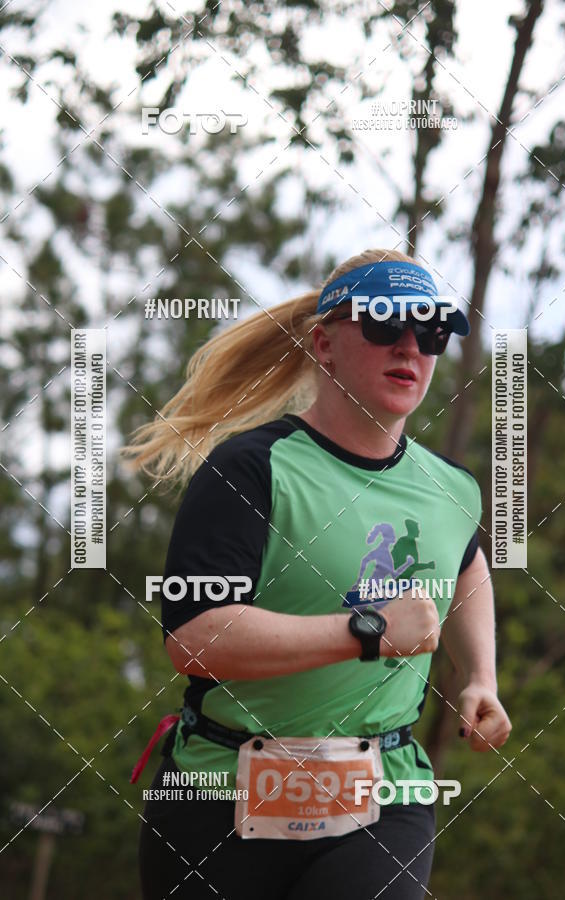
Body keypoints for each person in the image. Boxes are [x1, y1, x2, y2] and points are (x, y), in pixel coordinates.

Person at [124, 248, 512, 900]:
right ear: (324, 344)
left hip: (382, 794)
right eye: (386, 325)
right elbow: (194, 639)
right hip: (219, 795)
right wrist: (368, 631)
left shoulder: (450, 488)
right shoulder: (249, 469)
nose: (411, 346)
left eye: (432, 330)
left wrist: (481, 678)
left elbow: (467, 564)